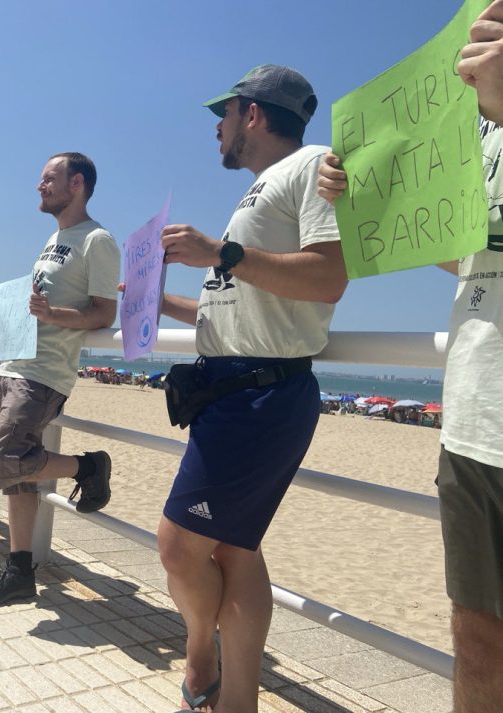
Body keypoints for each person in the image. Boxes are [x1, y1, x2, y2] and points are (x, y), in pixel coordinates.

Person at [318, 7, 503, 708]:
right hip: (475, 415)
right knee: (478, 638)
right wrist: (374, 199)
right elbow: (469, 254)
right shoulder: (474, 117)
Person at [156, 65, 347, 712]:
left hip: (263, 393)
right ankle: (234, 700)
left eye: (226, 113)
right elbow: (229, 304)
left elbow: (326, 278)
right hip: (233, 388)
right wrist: (155, 301)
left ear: (255, 114)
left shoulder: (313, 163)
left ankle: (199, 658)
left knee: (179, 545)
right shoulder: (257, 193)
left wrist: (223, 253)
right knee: (236, 552)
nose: (218, 127)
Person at [0, 152, 120, 609]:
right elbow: (31, 307)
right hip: (14, 365)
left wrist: (54, 314)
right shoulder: (53, 239)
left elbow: (103, 312)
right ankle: (19, 570)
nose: (40, 186)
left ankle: (87, 467)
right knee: (17, 477)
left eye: (48, 178)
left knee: (2, 458)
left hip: (44, 372)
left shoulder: (98, 240)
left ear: (77, 183)